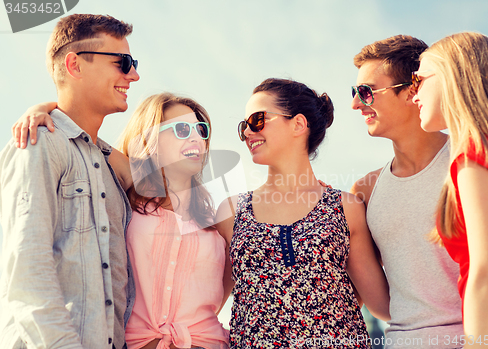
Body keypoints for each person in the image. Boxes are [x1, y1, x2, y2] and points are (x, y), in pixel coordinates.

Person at [216, 78, 390, 348]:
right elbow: (206, 306)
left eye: (257, 120)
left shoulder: (345, 207)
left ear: (298, 124)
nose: (248, 133)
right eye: (244, 127)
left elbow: (382, 305)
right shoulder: (230, 211)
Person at [0, 14, 140, 349]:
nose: (134, 75)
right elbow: (26, 269)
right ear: (74, 65)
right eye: (123, 62)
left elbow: (172, 186)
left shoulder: (112, 165)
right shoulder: (40, 142)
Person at [350, 35, 463, 348]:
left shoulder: (472, 159)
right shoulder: (364, 191)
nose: (356, 104)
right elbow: (376, 300)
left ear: (413, 88)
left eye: (366, 92)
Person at [116, 93, 229, 349]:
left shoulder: (219, 221)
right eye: (181, 129)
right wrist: (44, 110)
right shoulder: (125, 200)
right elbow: (81, 136)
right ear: (149, 139)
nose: (196, 137)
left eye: (201, 130)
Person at [412, 32, 488, 349]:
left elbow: (487, 270)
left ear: (451, 76)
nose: (414, 95)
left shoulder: (475, 155)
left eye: (419, 80)